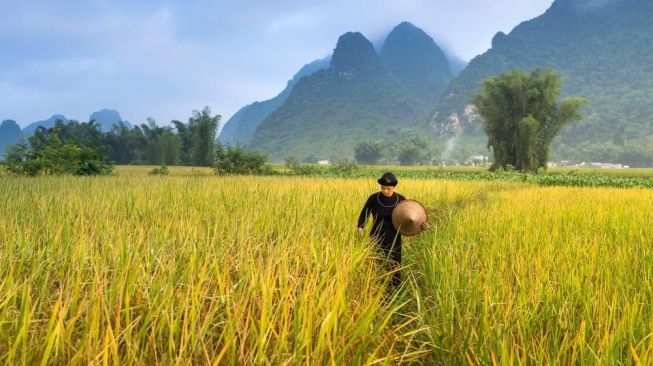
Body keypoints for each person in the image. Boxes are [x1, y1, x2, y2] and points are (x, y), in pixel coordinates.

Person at [357, 172, 428, 289]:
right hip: (376, 235)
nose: (385, 191)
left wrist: (422, 224)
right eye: (383, 188)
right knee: (376, 262)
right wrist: (360, 226)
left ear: (394, 187)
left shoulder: (401, 200)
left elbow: (412, 217)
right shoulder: (374, 198)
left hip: (394, 236)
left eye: (388, 189)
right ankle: (376, 289)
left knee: (394, 263)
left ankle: (394, 290)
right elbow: (365, 213)